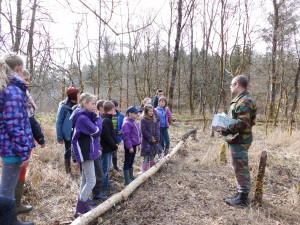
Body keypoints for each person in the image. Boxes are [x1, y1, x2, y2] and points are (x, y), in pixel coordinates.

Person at [0, 54, 35, 225]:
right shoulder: (12, 91)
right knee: (7, 188)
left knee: (8, 187)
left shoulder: (9, 88)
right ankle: (8, 222)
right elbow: (14, 124)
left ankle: (10, 219)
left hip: (10, 146)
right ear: (19, 69)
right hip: (12, 148)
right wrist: (23, 152)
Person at [218, 74, 257, 207]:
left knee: (241, 167)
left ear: (237, 85)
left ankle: (243, 199)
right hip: (237, 139)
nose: (230, 87)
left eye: (231, 84)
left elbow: (242, 123)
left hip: (240, 140)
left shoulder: (245, 101)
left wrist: (225, 129)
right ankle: (241, 193)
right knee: (238, 166)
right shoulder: (241, 99)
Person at [15, 69, 45, 214]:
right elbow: (29, 120)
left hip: (24, 139)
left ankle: (16, 202)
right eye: (26, 79)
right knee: (17, 172)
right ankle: (13, 206)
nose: (28, 82)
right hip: (19, 142)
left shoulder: (23, 94)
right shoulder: (16, 95)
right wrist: (40, 137)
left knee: (20, 172)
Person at [71, 93, 102, 218]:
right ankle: (80, 208)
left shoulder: (86, 116)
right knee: (91, 180)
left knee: (84, 179)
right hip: (85, 151)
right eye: (92, 103)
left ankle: (83, 205)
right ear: (84, 103)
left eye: (95, 103)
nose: (95, 106)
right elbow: (96, 131)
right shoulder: (82, 118)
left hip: (89, 149)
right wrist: (98, 118)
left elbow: (92, 135)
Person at [56, 86, 80, 174]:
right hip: (68, 133)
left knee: (78, 150)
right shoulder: (64, 106)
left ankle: (78, 167)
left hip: (78, 132)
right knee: (68, 151)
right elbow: (58, 122)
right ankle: (68, 171)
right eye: (78, 93)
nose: (80, 95)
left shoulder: (80, 105)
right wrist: (59, 137)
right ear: (74, 95)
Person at [100, 101, 118, 195]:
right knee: (104, 168)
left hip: (108, 147)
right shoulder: (105, 120)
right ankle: (103, 188)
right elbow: (106, 135)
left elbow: (112, 133)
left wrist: (115, 142)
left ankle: (106, 184)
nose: (115, 110)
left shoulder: (108, 118)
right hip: (105, 148)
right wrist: (114, 145)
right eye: (114, 108)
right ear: (111, 109)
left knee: (107, 167)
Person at [91, 100, 107, 203]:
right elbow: (97, 132)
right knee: (90, 177)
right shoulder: (85, 120)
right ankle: (87, 199)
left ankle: (97, 194)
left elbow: (98, 137)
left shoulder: (95, 119)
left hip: (96, 150)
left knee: (99, 175)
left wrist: (99, 148)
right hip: (88, 152)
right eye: (92, 105)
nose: (94, 109)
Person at [122, 106, 141, 185]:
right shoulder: (127, 123)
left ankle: (131, 176)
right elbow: (126, 136)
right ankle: (126, 181)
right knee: (127, 161)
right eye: (135, 113)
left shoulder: (133, 121)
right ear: (129, 113)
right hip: (129, 146)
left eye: (137, 113)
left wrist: (139, 143)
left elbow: (137, 134)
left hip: (134, 144)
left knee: (131, 160)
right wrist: (129, 147)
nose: (137, 115)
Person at [140, 105, 160, 173]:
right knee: (146, 157)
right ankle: (144, 171)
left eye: (152, 111)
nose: (152, 113)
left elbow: (157, 129)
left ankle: (151, 171)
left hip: (153, 142)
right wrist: (151, 138)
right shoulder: (143, 120)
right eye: (150, 111)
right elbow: (144, 131)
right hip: (147, 142)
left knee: (152, 156)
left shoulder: (154, 119)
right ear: (146, 112)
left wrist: (156, 137)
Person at [111, 100, 125, 171]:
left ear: (116, 107)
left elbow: (124, 125)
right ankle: (108, 165)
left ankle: (115, 165)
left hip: (117, 136)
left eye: (113, 106)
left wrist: (121, 131)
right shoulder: (108, 114)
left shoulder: (121, 115)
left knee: (115, 151)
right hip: (109, 136)